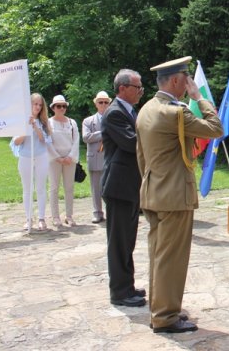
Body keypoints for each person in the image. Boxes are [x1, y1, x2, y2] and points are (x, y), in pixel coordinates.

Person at [136, 56, 223, 334]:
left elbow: (142, 157)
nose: (189, 85)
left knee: (159, 256)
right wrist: (199, 98)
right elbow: (215, 128)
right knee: (172, 259)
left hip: (153, 192)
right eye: (186, 79)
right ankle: (165, 317)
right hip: (174, 195)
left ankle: (159, 309)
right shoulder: (176, 112)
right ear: (175, 81)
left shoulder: (147, 109)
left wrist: (152, 183)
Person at [101, 69, 146, 307]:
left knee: (128, 240)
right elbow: (132, 143)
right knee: (118, 242)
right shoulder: (114, 114)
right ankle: (119, 292)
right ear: (122, 89)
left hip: (130, 186)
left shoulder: (130, 111)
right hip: (118, 186)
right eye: (137, 87)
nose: (141, 91)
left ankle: (127, 285)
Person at [10, 93, 53, 233]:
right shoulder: (21, 120)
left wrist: (35, 126)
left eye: (40, 105)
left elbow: (43, 139)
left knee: (40, 188)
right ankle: (28, 218)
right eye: (35, 104)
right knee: (27, 189)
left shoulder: (44, 122)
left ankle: (41, 218)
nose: (38, 107)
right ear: (29, 105)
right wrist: (26, 129)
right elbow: (16, 141)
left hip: (41, 156)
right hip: (25, 157)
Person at [47, 94, 80, 228]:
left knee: (69, 187)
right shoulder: (48, 122)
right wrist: (57, 157)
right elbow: (47, 142)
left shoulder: (72, 123)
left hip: (69, 159)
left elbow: (76, 140)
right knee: (54, 187)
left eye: (63, 106)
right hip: (54, 159)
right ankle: (55, 216)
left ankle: (69, 215)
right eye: (58, 106)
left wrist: (70, 157)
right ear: (53, 108)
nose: (61, 108)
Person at [83, 91, 111, 224]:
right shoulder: (88, 121)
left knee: (110, 186)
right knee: (95, 188)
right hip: (95, 157)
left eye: (106, 102)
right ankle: (97, 213)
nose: (103, 104)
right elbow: (86, 137)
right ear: (96, 103)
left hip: (110, 157)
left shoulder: (114, 118)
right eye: (101, 102)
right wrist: (104, 132)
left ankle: (110, 211)